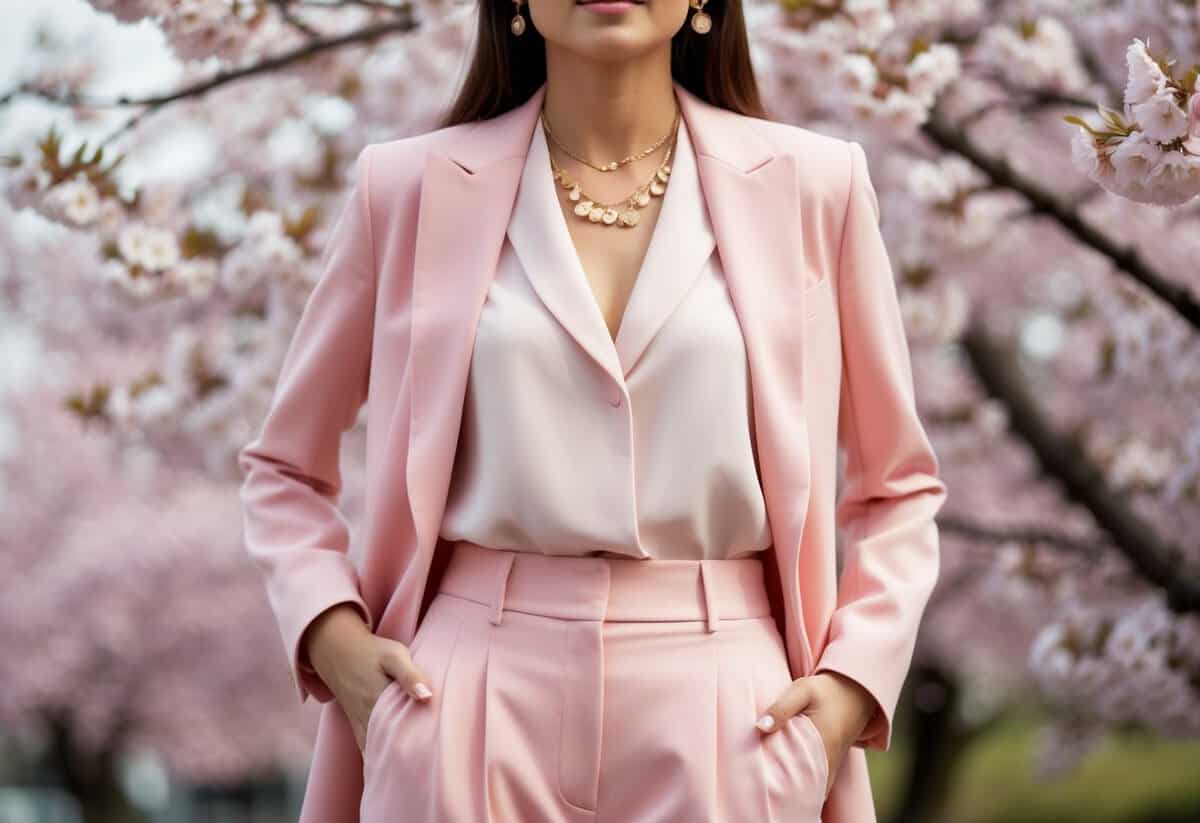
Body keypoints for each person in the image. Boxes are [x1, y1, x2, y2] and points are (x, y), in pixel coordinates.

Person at [237, 0, 948, 820]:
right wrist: (335, 639)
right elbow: (283, 466)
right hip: (463, 701)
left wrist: (851, 687)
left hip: (736, 713)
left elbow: (898, 485)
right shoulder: (405, 189)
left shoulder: (814, 186)